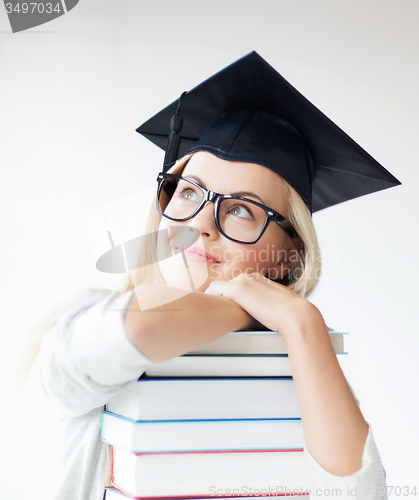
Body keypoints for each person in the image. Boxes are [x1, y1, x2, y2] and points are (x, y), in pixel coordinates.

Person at [23, 52, 399, 500]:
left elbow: (360, 495)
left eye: (241, 209)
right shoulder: (83, 317)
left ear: (290, 254)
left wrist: (302, 324)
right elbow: (138, 327)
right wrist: (237, 308)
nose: (200, 223)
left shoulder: (298, 357)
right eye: (188, 192)